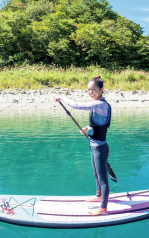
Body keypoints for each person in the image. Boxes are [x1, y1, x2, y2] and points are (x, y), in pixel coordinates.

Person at [55, 76, 111, 216]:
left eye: (94, 90)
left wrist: (62, 97)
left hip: (100, 148)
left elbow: (75, 105)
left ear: (101, 90)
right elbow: (98, 124)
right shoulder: (98, 105)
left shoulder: (100, 104)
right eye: (89, 90)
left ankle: (103, 208)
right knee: (96, 174)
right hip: (93, 145)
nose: (91, 92)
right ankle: (98, 196)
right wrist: (87, 128)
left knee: (103, 179)